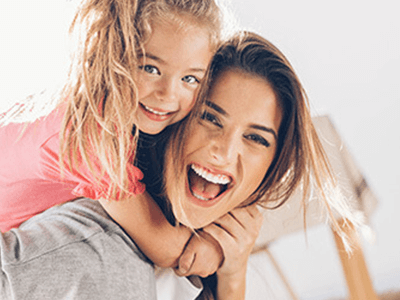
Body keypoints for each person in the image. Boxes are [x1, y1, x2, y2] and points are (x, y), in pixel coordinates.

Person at [1, 31, 361, 300]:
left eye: (257, 138)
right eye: (210, 118)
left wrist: (231, 274)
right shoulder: (103, 248)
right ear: (172, 117)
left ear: (272, 165)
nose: (223, 151)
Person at [0, 0, 224, 273]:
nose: (168, 94)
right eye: (150, 68)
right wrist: (218, 247)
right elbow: (164, 248)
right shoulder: (91, 133)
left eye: (190, 79)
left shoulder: (92, 103)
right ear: (113, 54)